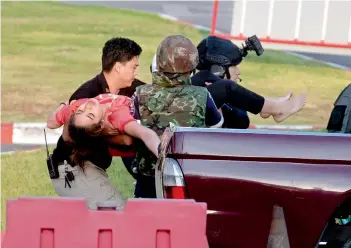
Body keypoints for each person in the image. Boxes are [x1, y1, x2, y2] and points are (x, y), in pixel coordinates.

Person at [47, 37, 146, 210]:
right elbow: (69, 137)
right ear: (118, 67)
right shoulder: (86, 97)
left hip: (92, 169)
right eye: (134, 67)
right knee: (118, 218)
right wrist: (122, 136)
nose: (136, 72)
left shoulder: (130, 89)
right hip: (74, 170)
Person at [132, 34, 224, 198]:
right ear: (192, 64)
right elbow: (216, 127)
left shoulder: (140, 94)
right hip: (189, 177)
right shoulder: (202, 95)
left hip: (148, 180)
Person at [191, 35, 306, 124]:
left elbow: (242, 119)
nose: (238, 72)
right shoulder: (198, 88)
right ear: (218, 69)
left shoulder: (219, 98)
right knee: (225, 86)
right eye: (234, 66)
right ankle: (275, 108)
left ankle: (271, 106)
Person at [47, 93, 160, 161]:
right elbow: (146, 134)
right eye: (91, 115)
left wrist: (65, 104)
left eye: (80, 111)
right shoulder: (117, 115)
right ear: (101, 124)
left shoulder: (78, 107)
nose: (88, 107)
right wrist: (163, 156)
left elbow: (51, 123)